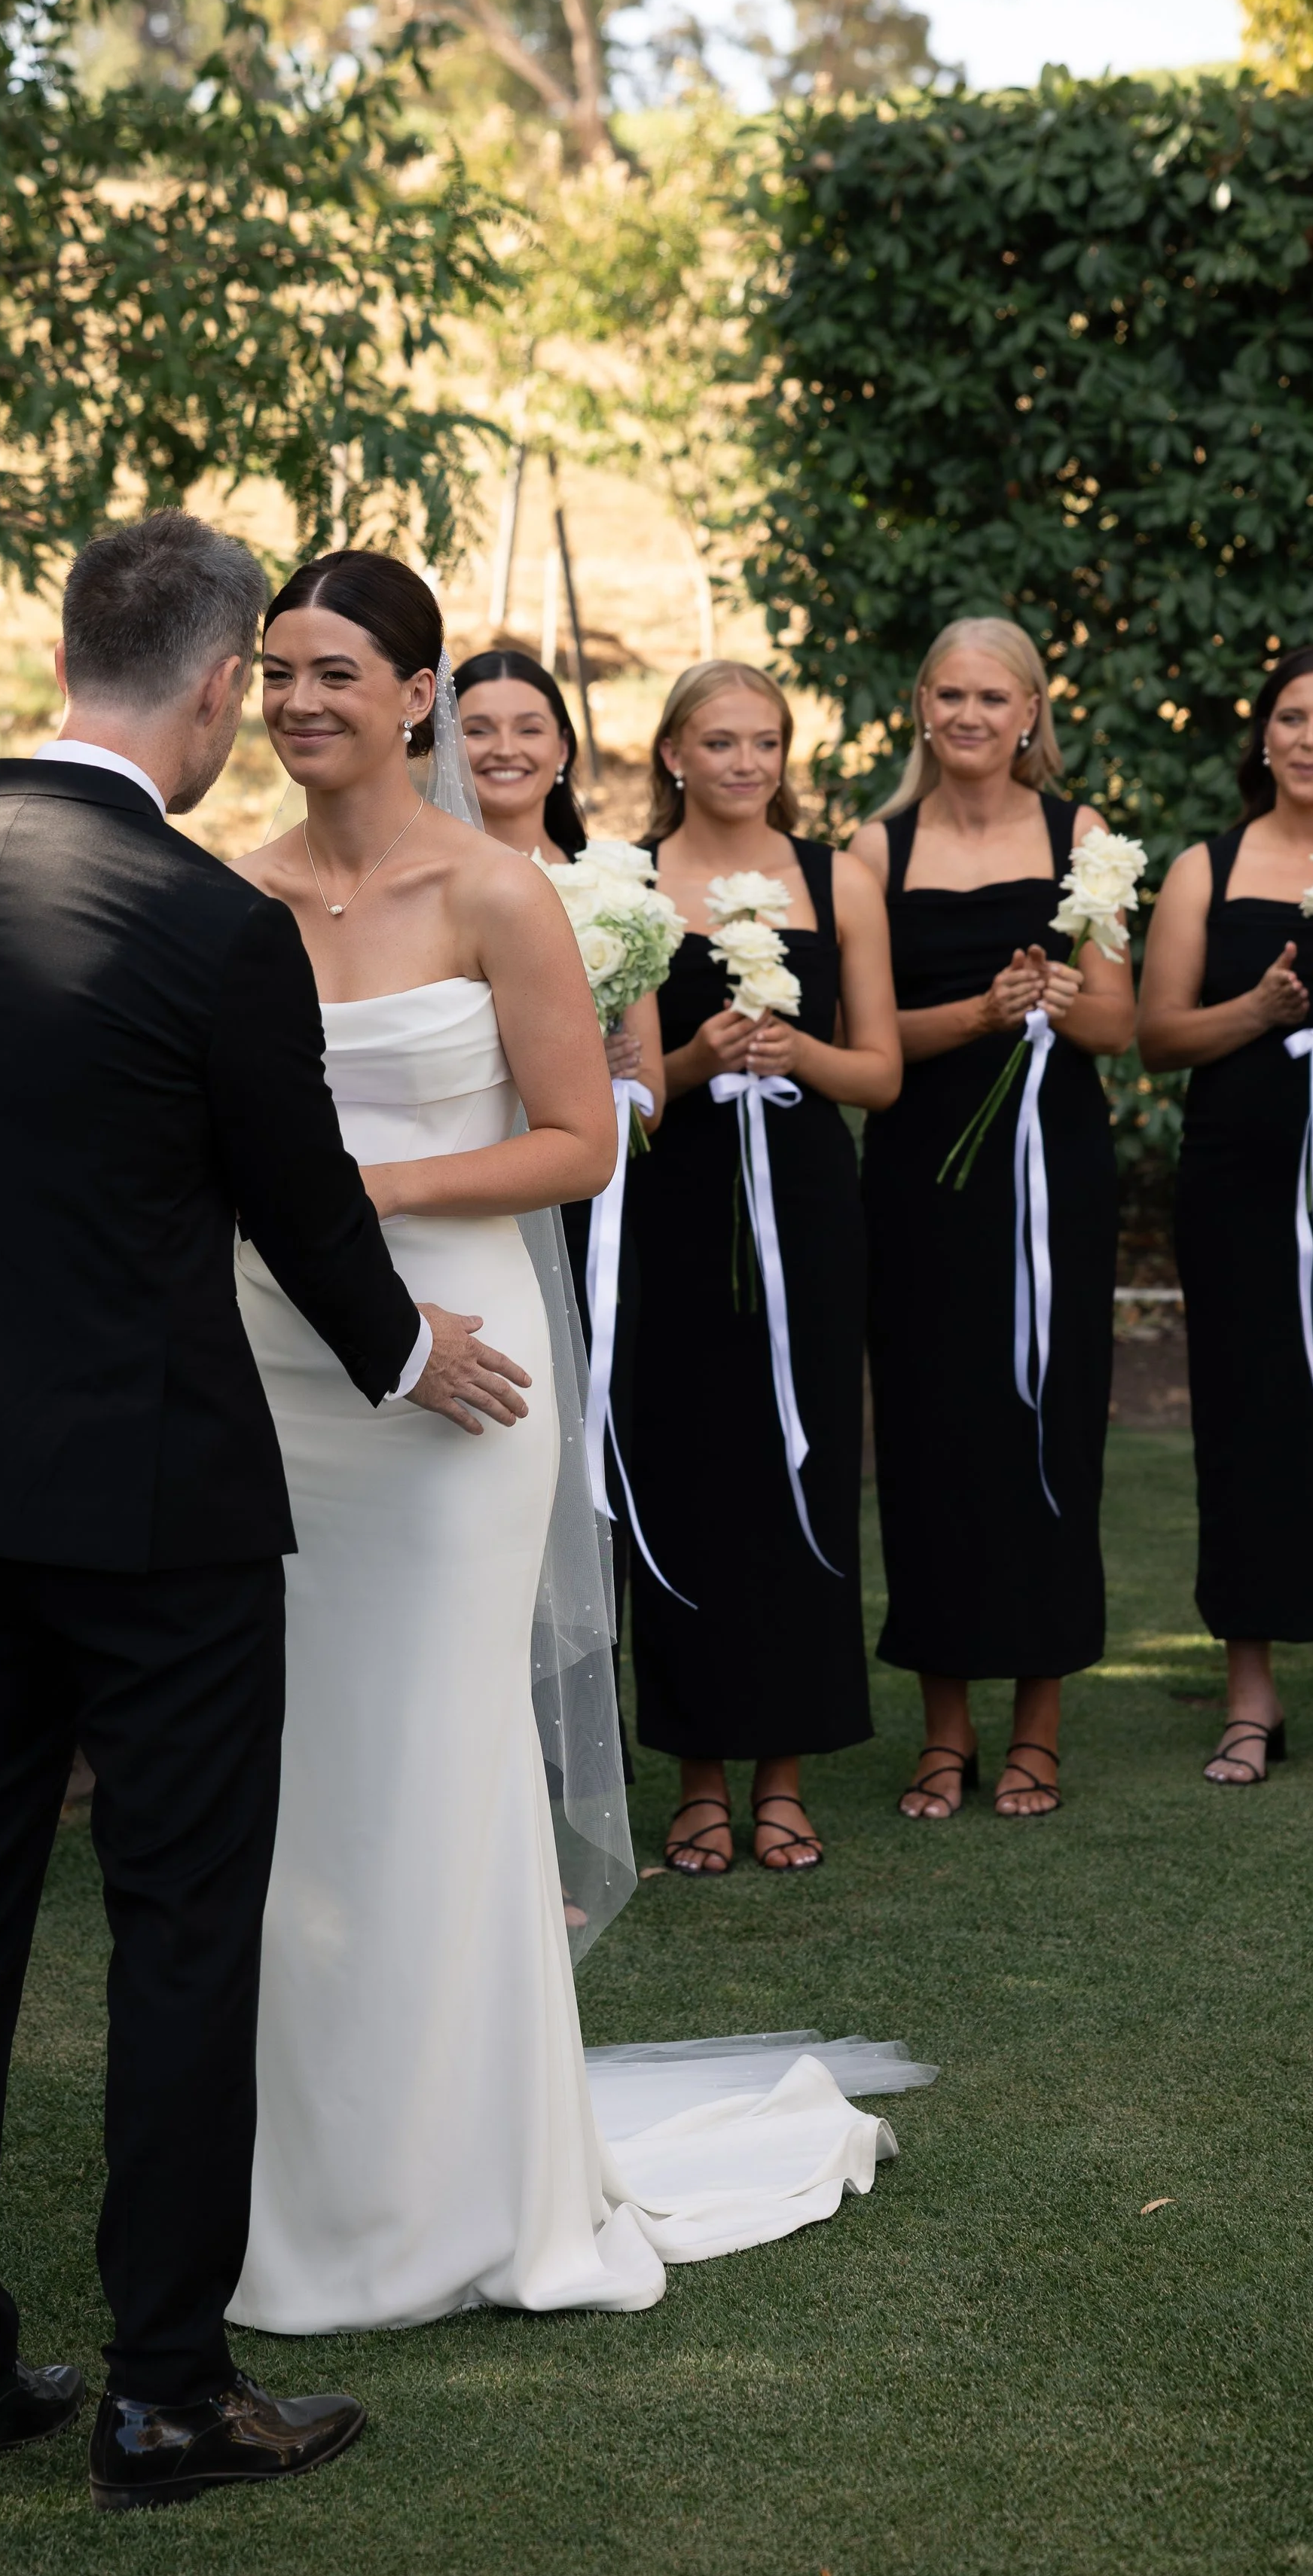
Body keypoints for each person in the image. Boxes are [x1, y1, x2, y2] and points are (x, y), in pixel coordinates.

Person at [0, 512, 530, 2511]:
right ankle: (162, 2395)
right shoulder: (207, 925)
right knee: (184, 1929)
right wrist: (398, 1360)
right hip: (164, 1497)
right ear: (213, 687)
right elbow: (297, 1197)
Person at [227, 553, 917, 2336]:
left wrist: (342, 1196)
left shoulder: (497, 894)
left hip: (469, 1376)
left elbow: (578, 1144)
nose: (301, 699)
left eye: (338, 671)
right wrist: (295, 1237)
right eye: (275, 668)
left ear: (414, 694)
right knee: (306, 1775)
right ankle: (314, 2182)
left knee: (439, 1754)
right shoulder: (224, 899)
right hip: (283, 1377)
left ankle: (485, 2180)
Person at [852, 618, 1134, 1821]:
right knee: (930, 1436)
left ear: (1032, 713)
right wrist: (978, 1012)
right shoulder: (873, 848)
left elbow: (1119, 1025)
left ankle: (1039, 1725)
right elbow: (863, 1041)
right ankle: (944, 1730)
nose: (970, 715)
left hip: (1053, 1173)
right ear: (922, 706)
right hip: (923, 1177)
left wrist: (1063, 1002)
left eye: (993, 697)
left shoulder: (1086, 841)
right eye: (950, 695)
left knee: (1048, 1424)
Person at [627, 661, 900, 1876]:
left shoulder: (839, 877)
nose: (746, 762)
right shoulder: (623, 880)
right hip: (675, 1206)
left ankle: (785, 1774)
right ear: (674, 751)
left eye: (767, 741)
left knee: (802, 1468)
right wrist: (691, 1059)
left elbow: (880, 1073)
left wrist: (794, 1047)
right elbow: (623, 1094)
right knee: (688, 1472)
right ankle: (695, 1777)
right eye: (721, 740)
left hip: (803, 1198)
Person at [1137, 644, 1313, 1784]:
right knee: (1244, 1412)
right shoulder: (1209, 866)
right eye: (1291, 717)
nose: (1310, 738)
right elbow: (1157, 1035)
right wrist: (1257, 1009)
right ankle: (1251, 1692)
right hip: (1242, 1182)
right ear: (1263, 735)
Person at [456, 648, 664, 1805]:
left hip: (584, 1231)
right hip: (461, 1209)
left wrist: (620, 1075)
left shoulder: (608, 893)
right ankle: (479, 1779)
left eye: (527, 725)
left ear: (564, 747)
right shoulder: (416, 875)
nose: (503, 748)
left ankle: (578, 1769)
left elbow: (648, 1096)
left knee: (569, 1482)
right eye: (477, 726)